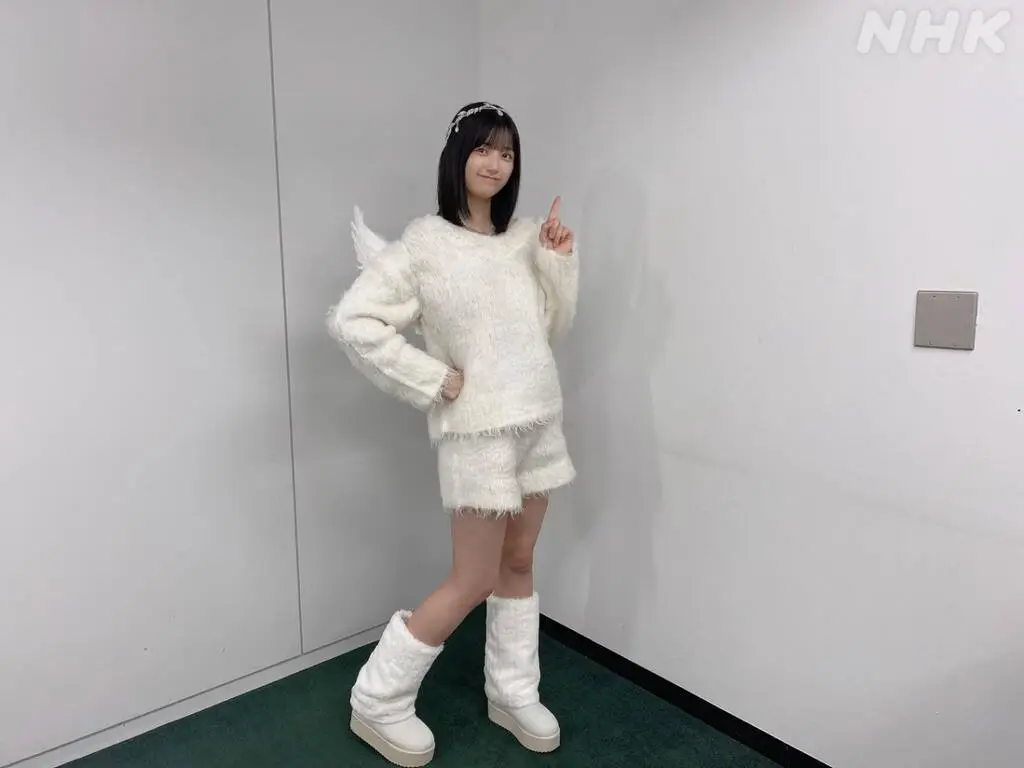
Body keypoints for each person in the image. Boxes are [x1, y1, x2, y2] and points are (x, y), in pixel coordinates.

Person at [325, 100, 578, 767]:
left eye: (507, 152)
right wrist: (434, 378)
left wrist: (556, 262)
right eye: (483, 149)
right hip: (480, 435)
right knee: (473, 578)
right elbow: (355, 321)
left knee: (518, 563)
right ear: (458, 156)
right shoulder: (424, 245)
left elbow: (548, 331)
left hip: (538, 421)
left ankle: (512, 691)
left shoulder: (524, 238)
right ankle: (378, 700)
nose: (496, 163)